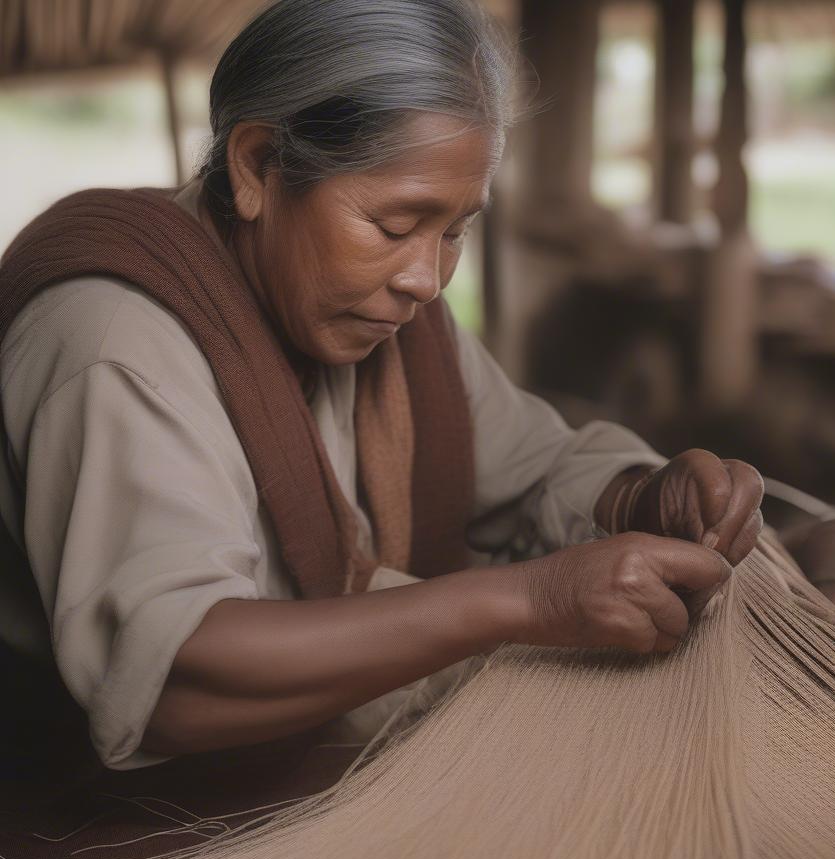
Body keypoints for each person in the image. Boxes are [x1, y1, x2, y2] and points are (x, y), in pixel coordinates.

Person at [0, 0, 763, 774]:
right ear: (257, 166)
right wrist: (526, 602)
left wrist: (639, 498)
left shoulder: (379, 313)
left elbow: (535, 467)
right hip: (90, 819)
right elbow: (173, 684)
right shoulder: (114, 342)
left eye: (456, 230)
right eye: (396, 226)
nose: (426, 279)